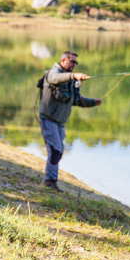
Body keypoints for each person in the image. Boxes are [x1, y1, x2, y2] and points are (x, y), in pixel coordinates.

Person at [38, 50, 102, 190]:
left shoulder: (70, 80)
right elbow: (55, 79)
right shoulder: (53, 72)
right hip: (48, 118)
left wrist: (93, 102)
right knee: (56, 150)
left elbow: (76, 100)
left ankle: (50, 180)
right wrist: (74, 76)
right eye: (71, 61)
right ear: (63, 60)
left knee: (57, 151)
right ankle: (50, 181)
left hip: (60, 122)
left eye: (75, 62)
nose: (74, 64)